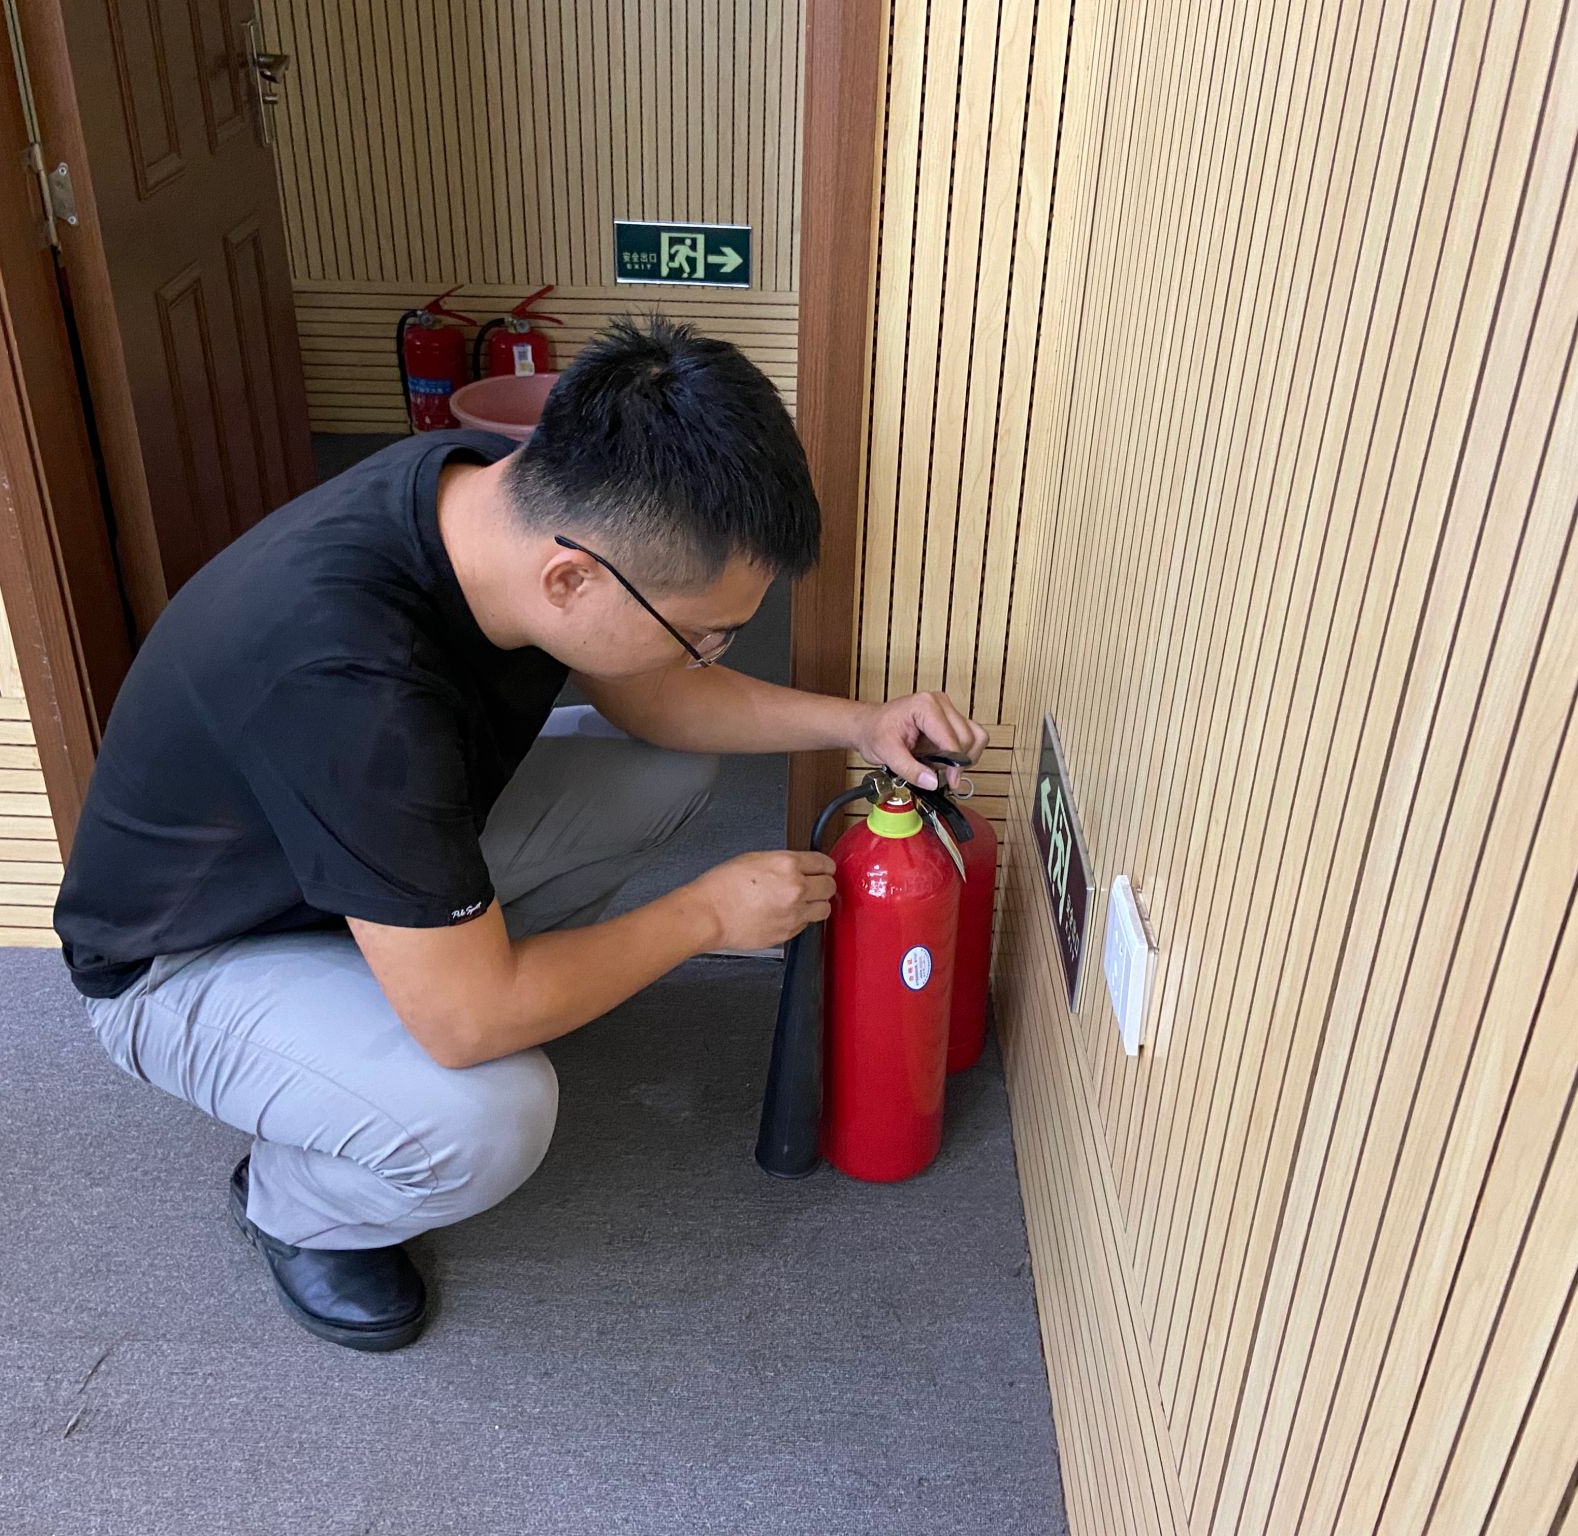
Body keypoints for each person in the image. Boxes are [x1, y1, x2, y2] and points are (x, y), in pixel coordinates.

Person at [53, 318, 987, 1352]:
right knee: (489, 1110)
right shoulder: (349, 683)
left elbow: (655, 698)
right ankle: (294, 1204)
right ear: (571, 581)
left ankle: (435, 976)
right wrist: (704, 916)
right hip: (189, 961)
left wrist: (860, 723)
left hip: (344, 866)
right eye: (703, 633)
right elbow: (469, 1022)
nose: (710, 653)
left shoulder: (501, 494)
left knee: (662, 771)